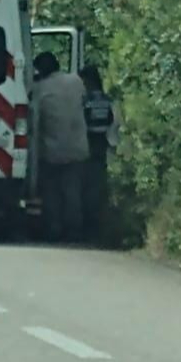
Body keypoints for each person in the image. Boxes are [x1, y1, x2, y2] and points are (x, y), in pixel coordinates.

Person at [31, 51, 90, 242]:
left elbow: (34, 121)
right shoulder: (76, 81)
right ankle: (75, 230)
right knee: (73, 192)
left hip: (52, 150)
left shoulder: (39, 89)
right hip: (79, 147)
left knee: (52, 193)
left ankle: (54, 228)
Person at [80, 65, 117, 237]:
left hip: (89, 142)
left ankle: (88, 220)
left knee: (86, 183)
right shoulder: (107, 100)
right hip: (102, 142)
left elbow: (82, 120)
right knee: (99, 180)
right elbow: (111, 121)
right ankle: (99, 219)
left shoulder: (86, 100)